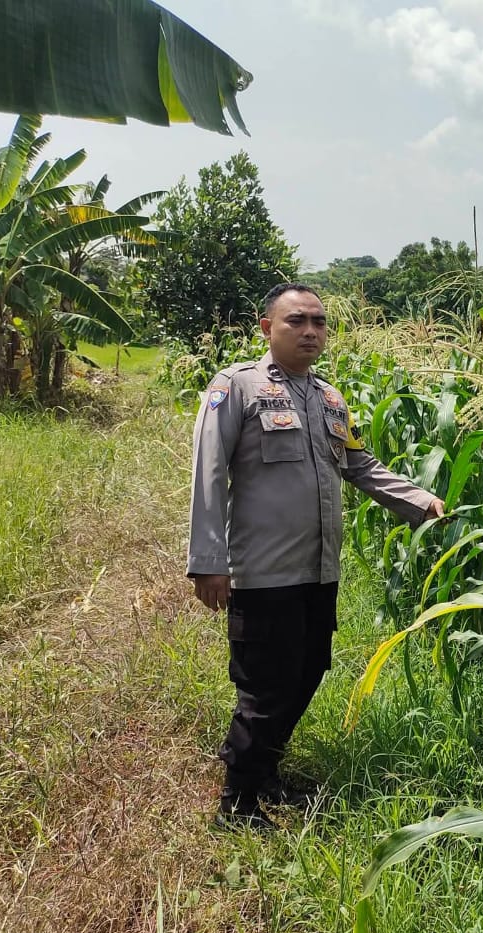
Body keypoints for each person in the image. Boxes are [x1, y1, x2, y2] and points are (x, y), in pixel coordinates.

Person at [187, 282, 444, 829]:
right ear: (267, 328)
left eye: (319, 322)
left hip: (319, 568)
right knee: (265, 687)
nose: (310, 331)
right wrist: (209, 562)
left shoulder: (329, 399)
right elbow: (208, 473)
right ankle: (237, 802)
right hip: (263, 571)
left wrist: (419, 501)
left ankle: (265, 773)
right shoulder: (236, 387)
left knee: (307, 671)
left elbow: (358, 464)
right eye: (296, 321)